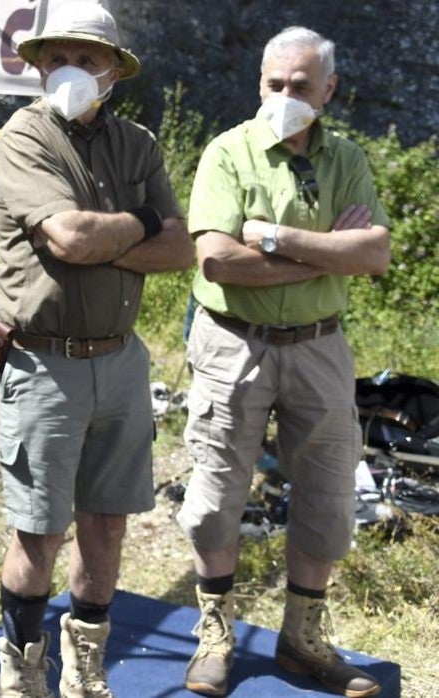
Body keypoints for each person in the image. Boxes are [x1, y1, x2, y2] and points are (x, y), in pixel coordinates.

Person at [178, 26, 389, 698]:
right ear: (258, 84)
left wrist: (278, 240)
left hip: (320, 346)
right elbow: (216, 259)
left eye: (301, 86)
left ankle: (303, 639)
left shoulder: (347, 157)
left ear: (328, 89)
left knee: (328, 496)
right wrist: (331, 250)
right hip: (230, 343)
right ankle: (215, 632)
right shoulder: (227, 153)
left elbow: (375, 256)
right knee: (215, 496)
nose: (286, 97)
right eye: (274, 84)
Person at [0, 3, 193, 696]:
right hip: (44, 363)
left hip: (122, 359)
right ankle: (22, 675)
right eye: (55, 58)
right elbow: (70, 239)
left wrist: (117, 239)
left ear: (114, 72)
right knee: (38, 534)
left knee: (106, 525)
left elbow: (182, 247)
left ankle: (84, 667)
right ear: (39, 65)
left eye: (85, 57)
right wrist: (139, 224)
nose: (67, 70)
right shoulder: (25, 135)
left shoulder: (137, 143)